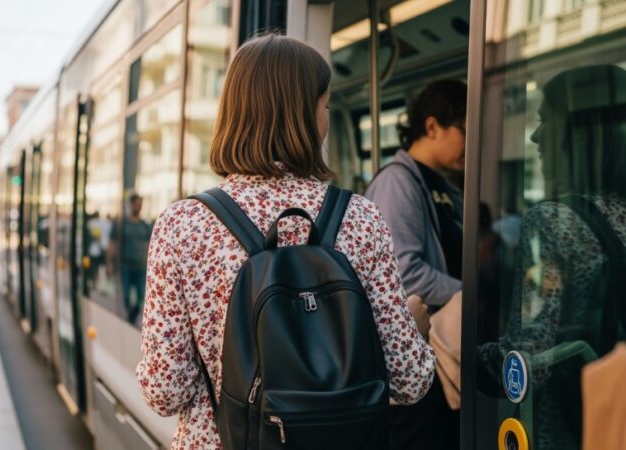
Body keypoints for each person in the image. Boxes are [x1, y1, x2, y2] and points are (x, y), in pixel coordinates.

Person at [136, 34, 435, 450]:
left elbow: (165, 392)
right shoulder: (361, 218)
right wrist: (414, 329)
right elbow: (411, 382)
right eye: (326, 106)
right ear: (306, 115)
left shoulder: (182, 225)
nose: (326, 119)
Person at [479, 65, 626, 450]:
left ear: (577, 133)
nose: (536, 135)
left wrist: (462, 353)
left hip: (565, 430)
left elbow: (527, 359)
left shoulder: (553, 221)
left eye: (546, 120)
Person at [364, 79, 467, 450]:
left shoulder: (443, 186)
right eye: (465, 130)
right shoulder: (398, 184)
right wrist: (469, 294)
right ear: (432, 126)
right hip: (417, 353)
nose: (470, 144)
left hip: (440, 346)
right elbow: (405, 273)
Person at [108, 194, 152, 324]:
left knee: (140, 297)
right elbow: (112, 244)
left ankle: (132, 317)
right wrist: (110, 263)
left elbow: (151, 245)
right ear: (131, 205)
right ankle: (130, 315)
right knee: (126, 296)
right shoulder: (121, 224)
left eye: (140, 204)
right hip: (126, 266)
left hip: (141, 267)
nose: (138, 207)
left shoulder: (145, 225)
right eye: (136, 204)